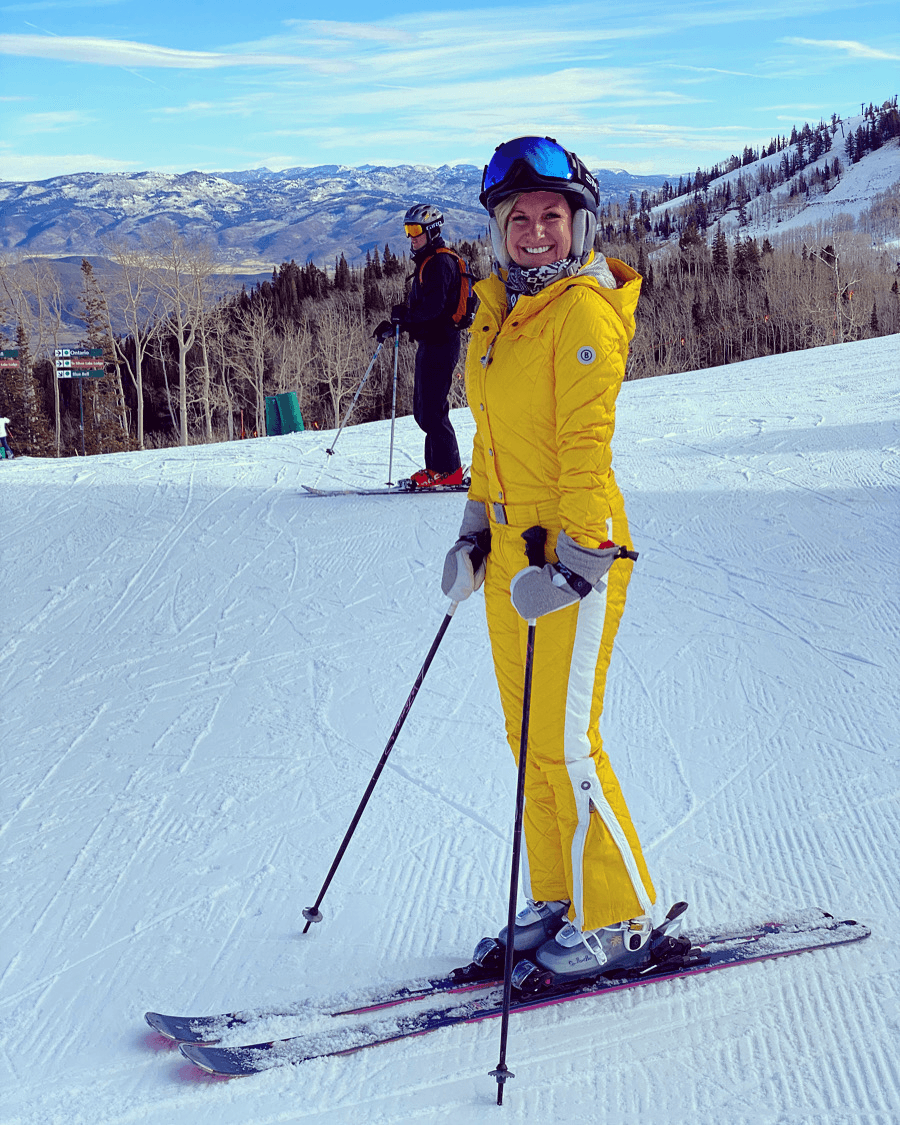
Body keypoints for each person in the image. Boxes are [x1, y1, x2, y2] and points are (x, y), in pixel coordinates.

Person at [441, 137, 656, 983]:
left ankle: (625, 913)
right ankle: (562, 894)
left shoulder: (581, 314)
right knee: (527, 739)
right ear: (498, 228)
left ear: (580, 224)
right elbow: (490, 442)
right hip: (507, 553)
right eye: (518, 217)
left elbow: (586, 452)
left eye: (551, 216)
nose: (535, 231)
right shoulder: (497, 314)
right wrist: (471, 530)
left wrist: (575, 562)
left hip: (574, 553)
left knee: (568, 743)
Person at [373, 204, 464, 488]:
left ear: (432, 231)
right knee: (425, 410)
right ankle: (439, 469)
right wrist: (397, 324)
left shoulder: (439, 263)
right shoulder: (429, 261)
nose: (411, 237)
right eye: (407, 231)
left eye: (415, 231)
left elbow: (434, 309)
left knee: (432, 410)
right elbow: (426, 309)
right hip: (432, 342)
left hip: (441, 343)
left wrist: (404, 318)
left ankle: (447, 471)